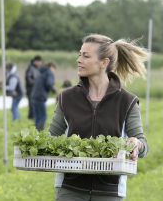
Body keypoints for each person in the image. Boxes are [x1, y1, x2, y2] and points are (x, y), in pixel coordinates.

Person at [49, 34, 149, 201]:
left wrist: (137, 144)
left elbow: (143, 144)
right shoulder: (66, 98)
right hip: (70, 189)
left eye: (86, 56)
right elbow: (51, 137)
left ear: (104, 63)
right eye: (79, 54)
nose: (79, 60)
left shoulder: (127, 101)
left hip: (109, 192)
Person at [30, 62, 56, 131]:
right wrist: (54, 90)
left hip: (34, 96)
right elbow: (49, 83)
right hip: (41, 96)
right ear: (51, 66)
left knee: (37, 116)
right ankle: (40, 132)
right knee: (43, 116)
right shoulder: (49, 73)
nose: (54, 71)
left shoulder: (40, 72)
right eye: (54, 69)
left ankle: (36, 131)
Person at [25, 55, 42, 120]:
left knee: (35, 103)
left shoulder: (37, 68)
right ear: (36, 61)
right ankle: (31, 117)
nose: (40, 63)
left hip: (35, 89)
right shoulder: (30, 68)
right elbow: (28, 79)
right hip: (31, 89)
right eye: (39, 62)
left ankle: (34, 117)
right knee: (31, 103)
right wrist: (36, 83)